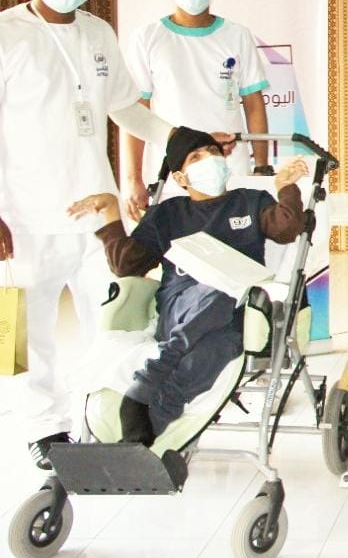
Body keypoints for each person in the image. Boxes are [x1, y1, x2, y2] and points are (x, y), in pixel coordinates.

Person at [0, 0, 223, 469]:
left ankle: (104, 417)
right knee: (25, 333)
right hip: (23, 215)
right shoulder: (6, 34)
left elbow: (126, 109)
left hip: (97, 214)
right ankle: (42, 428)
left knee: (118, 320)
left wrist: (183, 140)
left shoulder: (98, 32)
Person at [67, 129, 309, 443]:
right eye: (196, 157)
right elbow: (127, 265)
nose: (209, 159)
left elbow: (287, 229)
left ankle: (142, 431)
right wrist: (112, 211)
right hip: (180, 308)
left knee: (217, 346)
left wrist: (285, 186)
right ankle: (149, 384)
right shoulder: (168, 214)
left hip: (232, 317)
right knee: (219, 289)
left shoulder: (250, 201)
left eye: (213, 152)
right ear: (181, 178)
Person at [123, 0, 271, 221]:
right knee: (175, 246)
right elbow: (135, 112)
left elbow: (254, 104)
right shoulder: (147, 38)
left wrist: (261, 167)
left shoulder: (237, 35)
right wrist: (133, 179)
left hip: (230, 169)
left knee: (235, 244)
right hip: (172, 174)